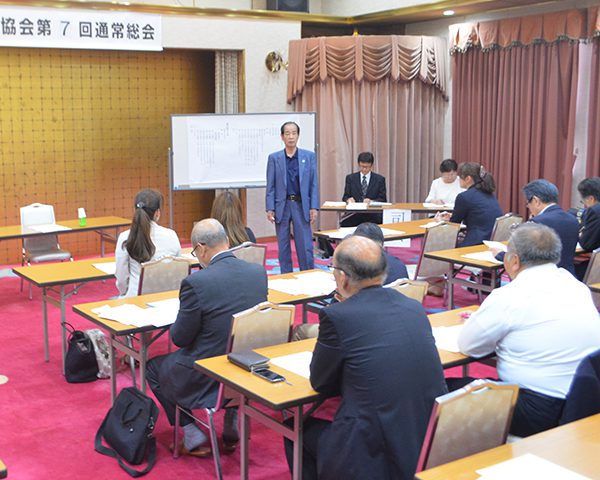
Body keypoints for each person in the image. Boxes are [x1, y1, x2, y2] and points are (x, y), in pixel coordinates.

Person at [285, 235, 447, 480]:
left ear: (342, 278)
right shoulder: (412, 306)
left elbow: (321, 382)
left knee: (293, 430)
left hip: (371, 448)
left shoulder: (338, 317)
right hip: (424, 436)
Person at [456, 223, 600, 437]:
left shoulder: (510, 295)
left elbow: (469, 346)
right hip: (584, 402)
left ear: (514, 260)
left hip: (535, 408)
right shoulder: (576, 286)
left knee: (446, 391)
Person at [146, 219, 268, 456]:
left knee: (153, 367)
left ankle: (191, 431)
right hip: (246, 366)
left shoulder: (196, 282)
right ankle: (233, 414)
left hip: (208, 372)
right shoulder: (258, 272)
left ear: (201, 248)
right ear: (228, 242)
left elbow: (180, 338)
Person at [293, 222, 409, 341]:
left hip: (363, 329)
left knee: (301, 331)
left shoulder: (358, 267)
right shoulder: (400, 265)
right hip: (397, 325)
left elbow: (338, 312)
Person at [266, 121, 319, 273]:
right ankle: (286, 277)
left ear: (298, 135)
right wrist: (269, 208)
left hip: (301, 205)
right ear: (282, 137)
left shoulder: (308, 157)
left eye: (294, 133)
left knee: (305, 246)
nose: (291, 137)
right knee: (283, 247)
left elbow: (313, 184)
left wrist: (313, 206)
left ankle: (308, 275)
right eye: (287, 133)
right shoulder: (274, 158)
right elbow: (271, 186)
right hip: (281, 205)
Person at [115, 189, 181, 297]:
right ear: (157, 213)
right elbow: (177, 271)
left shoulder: (124, 237)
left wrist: (124, 294)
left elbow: (121, 278)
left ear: (135, 210)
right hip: (167, 298)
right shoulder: (171, 235)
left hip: (135, 300)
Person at [437, 163, 502, 246]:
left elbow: (453, 225)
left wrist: (440, 222)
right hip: (492, 242)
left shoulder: (464, 197)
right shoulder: (489, 194)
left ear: (468, 179)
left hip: (476, 243)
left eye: (460, 177)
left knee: (442, 244)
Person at [521, 179, 578, 275]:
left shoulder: (537, 223)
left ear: (535, 201)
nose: (528, 207)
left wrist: (498, 254)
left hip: (542, 278)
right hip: (568, 276)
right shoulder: (572, 219)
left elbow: (522, 254)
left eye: (528, 203)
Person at [341, 151, 387, 225]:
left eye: (367, 167)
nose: (364, 169)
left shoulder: (379, 179)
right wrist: (348, 199)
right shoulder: (350, 178)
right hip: (354, 214)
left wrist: (372, 201)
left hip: (372, 215)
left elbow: (383, 199)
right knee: (345, 223)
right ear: (359, 164)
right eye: (362, 166)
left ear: (371, 165)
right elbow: (345, 196)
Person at [577, 176, 600, 252]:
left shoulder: (594, 211)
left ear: (591, 199)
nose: (585, 206)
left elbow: (586, 244)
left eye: (583, 202)